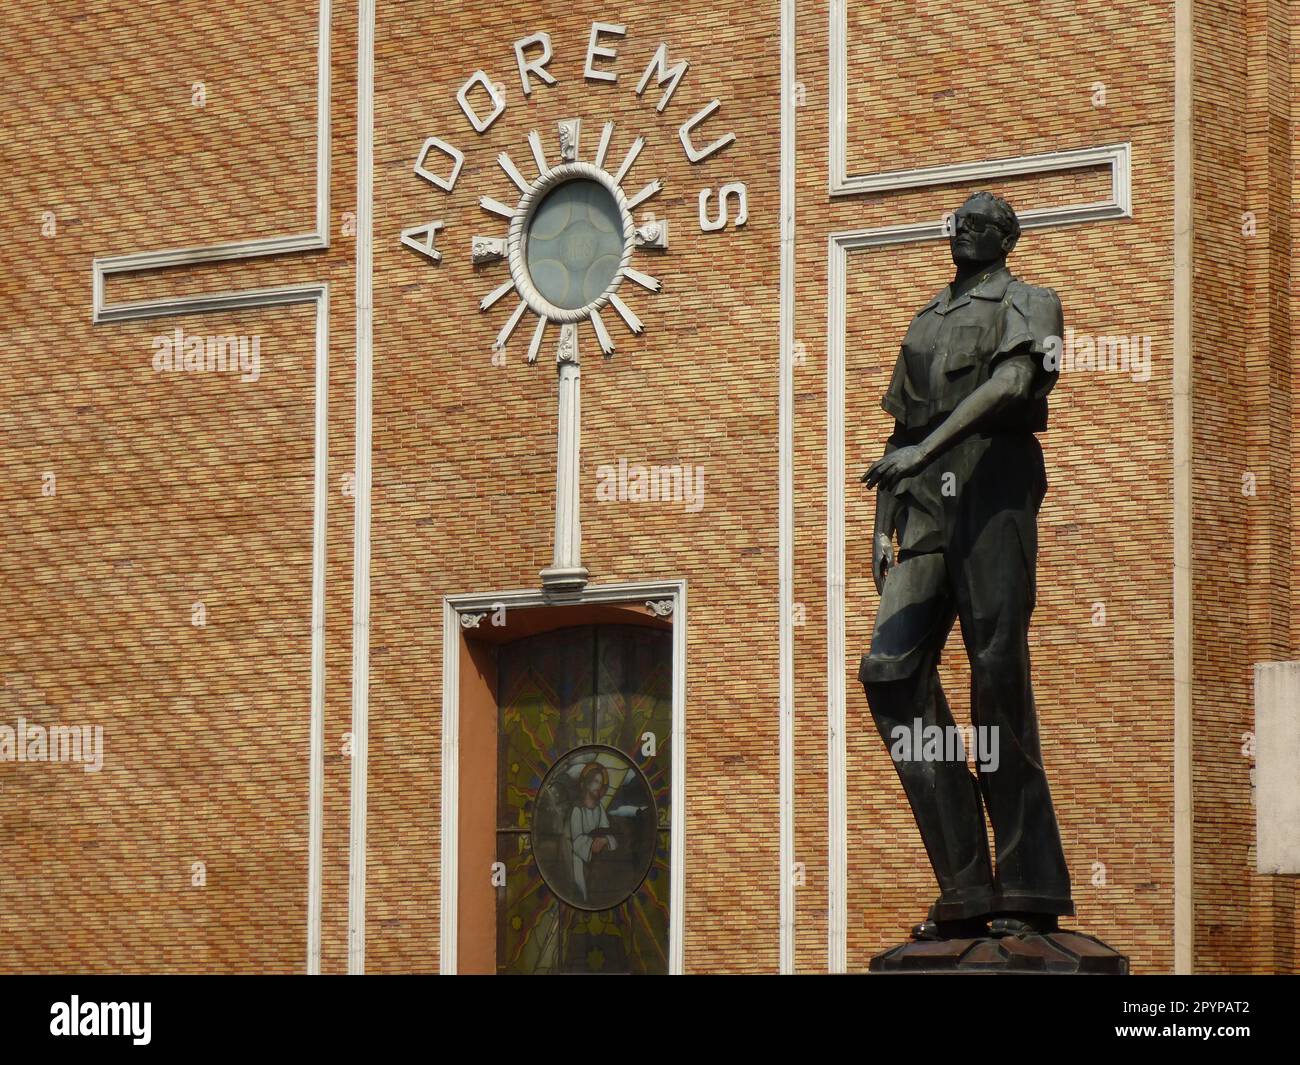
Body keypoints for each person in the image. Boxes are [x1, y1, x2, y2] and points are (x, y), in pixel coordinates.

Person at [859, 191, 1074, 941]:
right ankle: (965, 882)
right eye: (962, 221)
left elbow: (1016, 383)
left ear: (1008, 238)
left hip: (994, 492)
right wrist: (884, 522)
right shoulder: (925, 320)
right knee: (888, 671)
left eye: (984, 222)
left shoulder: (1032, 302)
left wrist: (928, 448)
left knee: (996, 677)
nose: (967, 230)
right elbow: (900, 424)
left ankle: (1027, 882)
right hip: (924, 506)